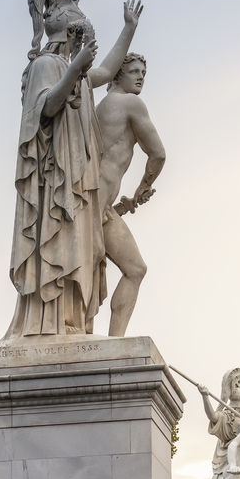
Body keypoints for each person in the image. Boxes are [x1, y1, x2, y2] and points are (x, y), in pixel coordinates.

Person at [6, 0, 143, 339]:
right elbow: (46, 107)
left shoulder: (79, 77)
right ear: (70, 37)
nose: (84, 50)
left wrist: (128, 30)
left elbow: (106, 69)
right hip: (55, 186)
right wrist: (73, 70)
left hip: (76, 185)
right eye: (80, 41)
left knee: (79, 252)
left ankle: (73, 323)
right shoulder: (48, 65)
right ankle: (49, 323)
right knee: (60, 248)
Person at [93, 54, 166, 336]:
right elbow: (158, 154)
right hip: (95, 206)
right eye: (134, 71)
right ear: (117, 75)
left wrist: (130, 201)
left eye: (144, 73)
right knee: (134, 269)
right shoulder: (130, 103)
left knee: (134, 269)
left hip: (99, 204)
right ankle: (115, 340)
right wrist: (143, 187)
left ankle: (112, 344)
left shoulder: (102, 106)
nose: (140, 77)